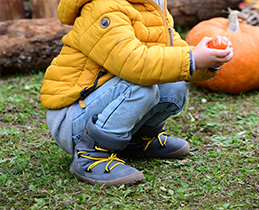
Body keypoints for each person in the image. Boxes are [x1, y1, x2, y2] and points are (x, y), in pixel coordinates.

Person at [40, 0, 233, 187]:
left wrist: (206, 61)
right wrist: (192, 59)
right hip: (72, 118)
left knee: (176, 82)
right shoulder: (103, 8)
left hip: (103, 100)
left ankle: (138, 140)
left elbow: (174, 55)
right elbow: (134, 63)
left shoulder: (151, 6)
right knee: (141, 86)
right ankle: (91, 155)